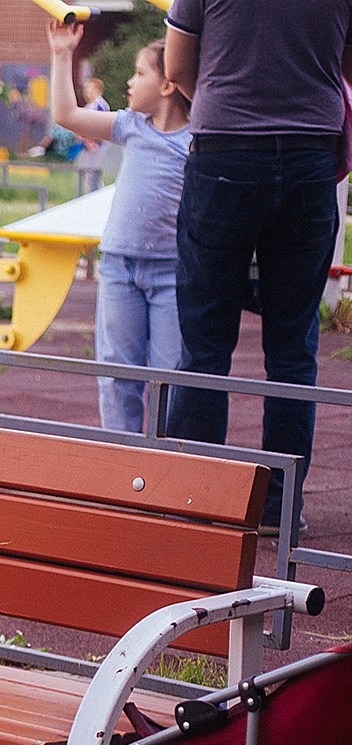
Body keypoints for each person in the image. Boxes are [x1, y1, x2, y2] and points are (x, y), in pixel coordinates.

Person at [163, 0, 349, 532]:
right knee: (293, 348)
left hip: (225, 150)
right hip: (310, 154)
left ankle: (197, 501)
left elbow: (176, 66)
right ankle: (280, 508)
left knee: (205, 343)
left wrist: (224, 100)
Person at [45, 19, 192, 434]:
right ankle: (120, 452)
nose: (129, 82)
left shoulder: (196, 139)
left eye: (140, 73)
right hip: (119, 267)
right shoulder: (131, 125)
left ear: (168, 85)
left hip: (171, 272)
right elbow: (66, 115)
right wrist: (62, 54)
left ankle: (165, 456)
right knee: (116, 372)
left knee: (170, 376)